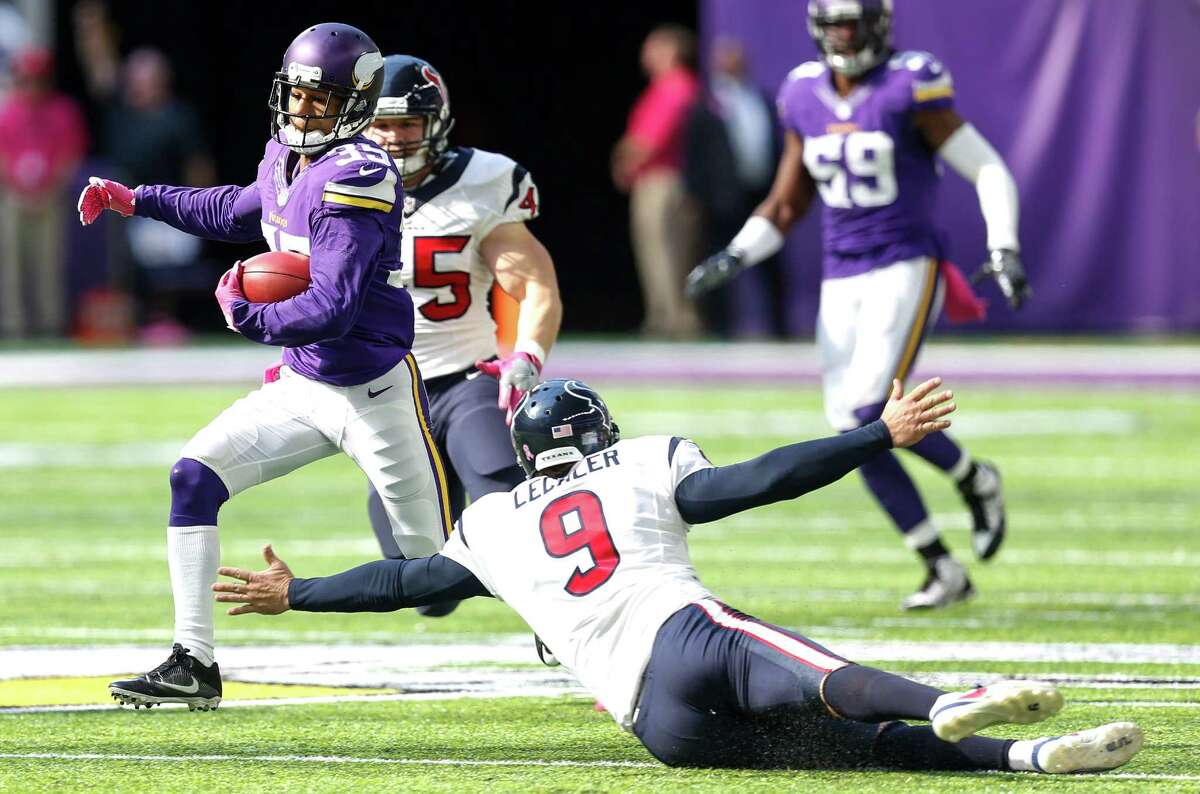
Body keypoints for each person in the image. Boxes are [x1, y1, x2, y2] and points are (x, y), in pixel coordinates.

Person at [214, 377, 1140, 775]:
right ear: (595, 433)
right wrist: (874, 435)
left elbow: (408, 584)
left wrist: (297, 593)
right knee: (824, 679)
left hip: (657, 727)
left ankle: (1026, 757)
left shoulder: (492, 521)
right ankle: (944, 698)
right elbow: (759, 482)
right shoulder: (637, 461)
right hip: (686, 638)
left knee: (855, 752)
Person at [78, 23, 452, 711]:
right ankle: (193, 662)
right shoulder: (287, 154)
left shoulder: (358, 175)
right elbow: (237, 209)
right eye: (299, 94)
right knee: (193, 476)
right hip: (304, 383)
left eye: (323, 98)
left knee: (442, 569)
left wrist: (245, 316)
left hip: (372, 393)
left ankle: (567, 605)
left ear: (360, 101)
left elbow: (333, 306)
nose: (304, 110)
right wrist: (139, 199)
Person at [686, 0, 1031, 610]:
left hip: (905, 260)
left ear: (877, 25)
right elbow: (787, 202)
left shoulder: (910, 82)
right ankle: (939, 562)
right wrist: (736, 254)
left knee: (873, 405)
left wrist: (1003, 244)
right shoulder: (800, 94)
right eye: (835, 25)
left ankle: (973, 478)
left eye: (854, 23)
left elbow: (986, 169)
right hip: (842, 274)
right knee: (853, 428)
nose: (845, 35)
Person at [360, 54, 561, 617]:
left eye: (407, 123)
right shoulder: (331, 185)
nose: (395, 138)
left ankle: (568, 624)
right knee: (428, 591)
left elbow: (536, 286)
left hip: (466, 381)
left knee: (506, 507)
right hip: (383, 395)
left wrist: (529, 354)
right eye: (382, 123)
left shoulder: (482, 182)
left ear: (437, 122)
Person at [73, 1, 217, 337]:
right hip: (116, 209)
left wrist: (200, 211)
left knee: (165, 259)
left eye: (147, 77)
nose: (139, 83)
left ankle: (163, 322)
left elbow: (199, 167)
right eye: (135, 76)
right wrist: (91, 27)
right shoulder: (120, 109)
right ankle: (126, 322)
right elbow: (100, 67)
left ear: (162, 80)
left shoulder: (178, 117)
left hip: (163, 205)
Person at [684, 37, 783, 337]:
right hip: (724, 197)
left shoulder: (761, 97)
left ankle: (779, 328)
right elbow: (696, 154)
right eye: (726, 57)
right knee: (720, 261)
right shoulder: (707, 104)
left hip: (760, 192)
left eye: (736, 56)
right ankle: (720, 329)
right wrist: (698, 194)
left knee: (769, 261)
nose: (732, 62)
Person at [611, 24, 703, 339]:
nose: (646, 54)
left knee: (668, 252)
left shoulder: (677, 87)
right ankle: (664, 316)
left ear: (672, 51)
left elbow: (650, 140)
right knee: (657, 252)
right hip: (654, 179)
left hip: (665, 181)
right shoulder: (661, 87)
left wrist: (625, 158)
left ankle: (675, 321)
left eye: (654, 47)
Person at [0, 47, 88, 338]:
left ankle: (50, 324)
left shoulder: (63, 110)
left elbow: (70, 156)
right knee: (10, 262)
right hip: (14, 197)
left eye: (37, 79)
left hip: (51, 197)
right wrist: (18, 189)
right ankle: (13, 326)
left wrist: (49, 190)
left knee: (49, 262)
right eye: (25, 79)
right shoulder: (7, 110)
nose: (31, 85)